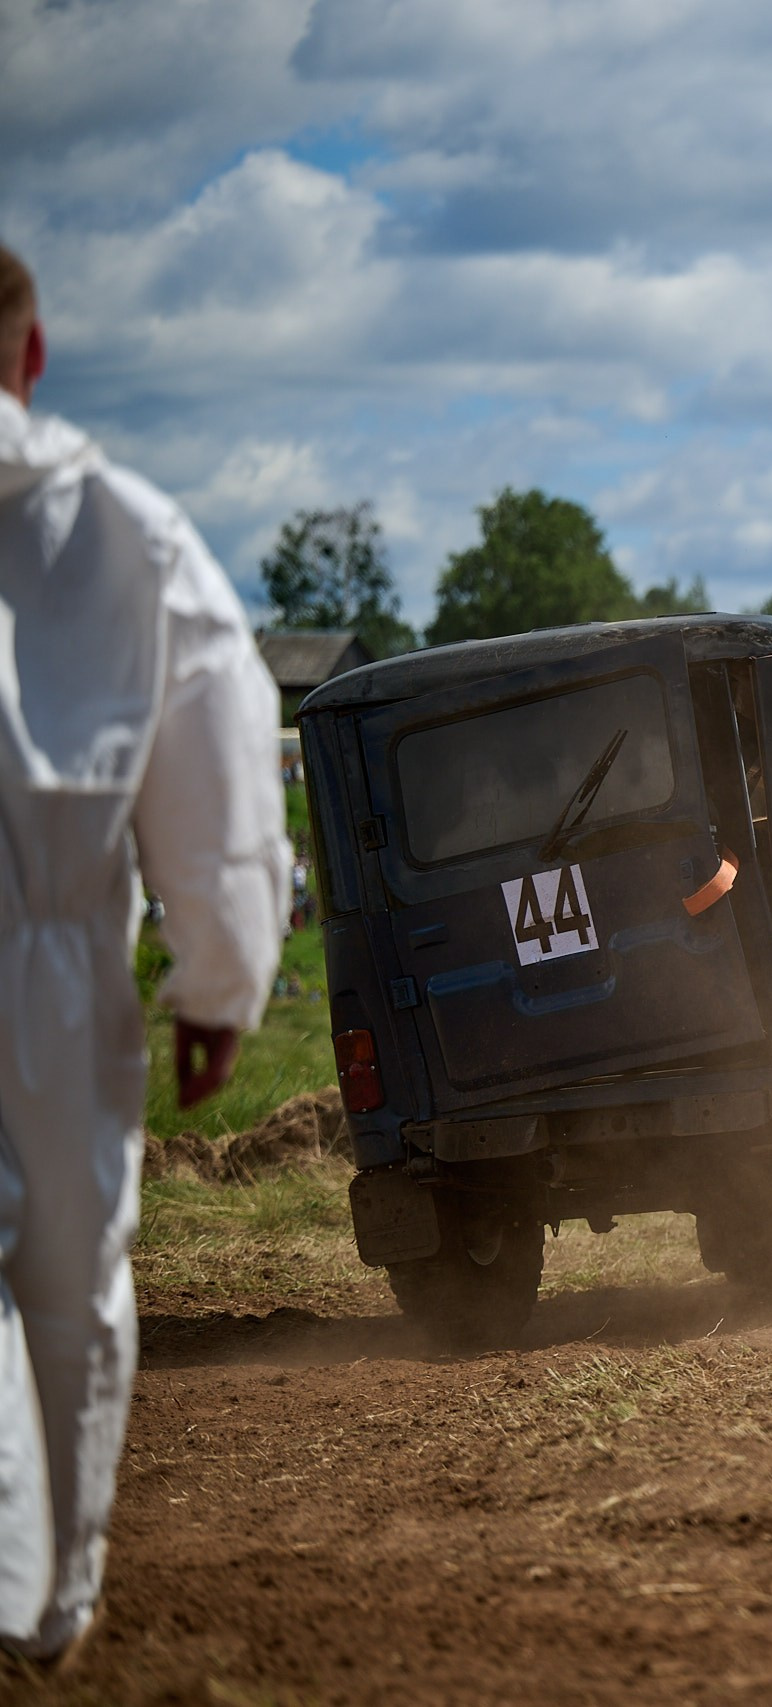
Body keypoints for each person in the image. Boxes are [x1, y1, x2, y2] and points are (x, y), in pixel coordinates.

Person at [0, 242, 291, 1669]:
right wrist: (221, 982)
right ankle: (51, 1600)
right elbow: (224, 780)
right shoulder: (134, 537)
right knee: (69, 1269)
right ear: (35, 351)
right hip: (53, 958)